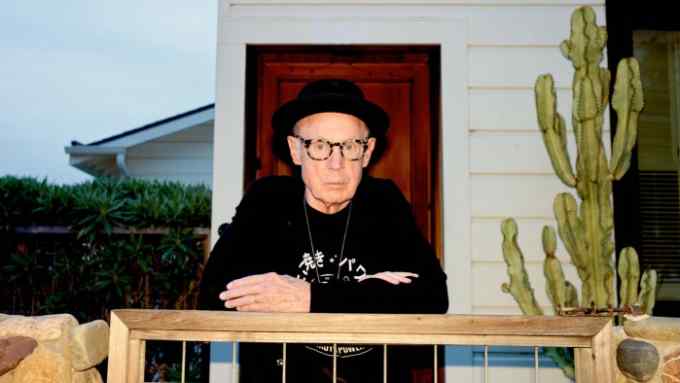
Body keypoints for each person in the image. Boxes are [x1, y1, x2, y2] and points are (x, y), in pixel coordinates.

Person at [199, 79, 448, 382]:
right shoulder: (267, 200)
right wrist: (369, 291)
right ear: (295, 150)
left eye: (350, 146)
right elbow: (214, 296)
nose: (336, 163)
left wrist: (308, 297)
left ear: (367, 152)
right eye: (319, 146)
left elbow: (432, 297)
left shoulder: (385, 201)